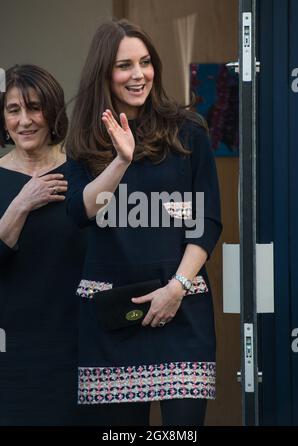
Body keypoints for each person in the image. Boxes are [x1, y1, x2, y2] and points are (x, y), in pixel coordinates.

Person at [66, 19, 222, 426]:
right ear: (104, 72)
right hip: (114, 319)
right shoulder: (85, 137)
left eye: (146, 62)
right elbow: (82, 211)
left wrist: (177, 288)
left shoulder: (188, 131)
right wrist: (121, 159)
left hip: (181, 310)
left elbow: (205, 220)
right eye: (125, 65)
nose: (139, 75)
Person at [0, 64, 86, 426]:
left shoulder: (84, 176)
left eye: (34, 108)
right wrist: (21, 203)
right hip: (12, 354)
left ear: (52, 112)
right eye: (13, 110)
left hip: (78, 349)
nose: (25, 121)